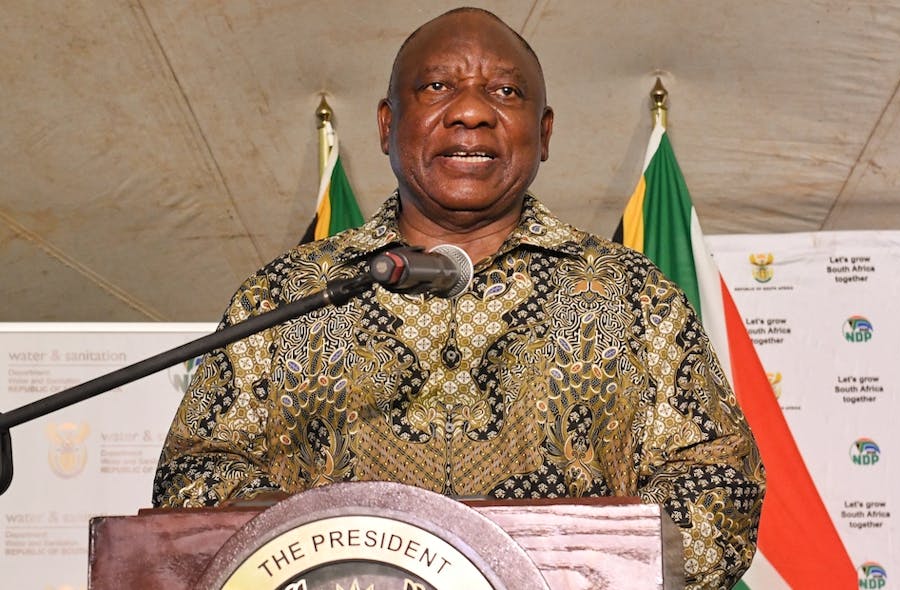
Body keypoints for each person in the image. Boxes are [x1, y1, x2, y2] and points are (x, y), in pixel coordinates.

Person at [153, 7, 765, 588]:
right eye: (438, 87)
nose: (470, 113)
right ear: (387, 125)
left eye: (505, 93)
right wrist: (330, 547)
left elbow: (719, 492)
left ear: (544, 132)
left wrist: (568, 567)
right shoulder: (288, 297)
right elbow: (194, 483)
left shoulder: (634, 300)